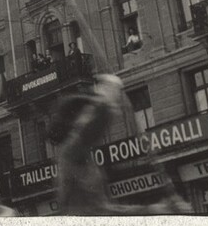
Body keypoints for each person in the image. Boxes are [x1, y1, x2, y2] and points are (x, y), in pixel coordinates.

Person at [50, 74, 190, 215]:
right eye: (87, 114)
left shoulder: (79, 157)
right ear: (74, 122)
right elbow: (100, 213)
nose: (89, 118)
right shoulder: (71, 152)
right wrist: (106, 103)